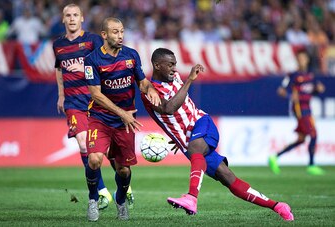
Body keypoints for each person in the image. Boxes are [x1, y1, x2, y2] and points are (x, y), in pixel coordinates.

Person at [141, 48, 294, 221]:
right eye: (170, 65)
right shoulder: (150, 93)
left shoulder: (175, 78)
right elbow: (168, 108)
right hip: (189, 141)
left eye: (175, 64)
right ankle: (278, 206)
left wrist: (188, 81)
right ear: (157, 65)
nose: (175, 69)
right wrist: (181, 136)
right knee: (228, 179)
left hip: (202, 123)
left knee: (195, 148)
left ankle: (191, 198)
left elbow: (182, 107)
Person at [53, 4, 135, 212]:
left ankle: (123, 185)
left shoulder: (92, 40)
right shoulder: (58, 45)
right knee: (83, 145)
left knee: (105, 151)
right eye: (68, 16)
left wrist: (84, 67)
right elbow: (59, 70)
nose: (71, 19)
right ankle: (101, 192)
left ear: (82, 18)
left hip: (95, 101)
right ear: (63, 20)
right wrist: (61, 94)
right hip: (73, 102)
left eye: (75, 15)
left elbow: (101, 59)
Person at [84, 17, 160, 221]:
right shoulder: (92, 60)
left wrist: (151, 90)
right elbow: (96, 95)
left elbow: (142, 83)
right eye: (115, 32)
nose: (120, 36)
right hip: (100, 118)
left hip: (125, 122)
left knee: (124, 171)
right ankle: (93, 199)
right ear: (104, 35)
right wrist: (122, 113)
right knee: (94, 160)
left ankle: (120, 201)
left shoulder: (131, 55)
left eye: (122, 31)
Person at [269, 49, 325, 175]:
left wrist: (319, 90)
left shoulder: (311, 76)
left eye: (304, 58)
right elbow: (281, 91)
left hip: (308, 108)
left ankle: (274, 157)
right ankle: (311, 165)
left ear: (307, 60)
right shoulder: (293, 75)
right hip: (299, 109)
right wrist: (290, 96)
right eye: (299, 58)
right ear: (297, 60)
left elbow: (315, 89)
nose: (302, 61)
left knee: (301, 139)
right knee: (314, 134)